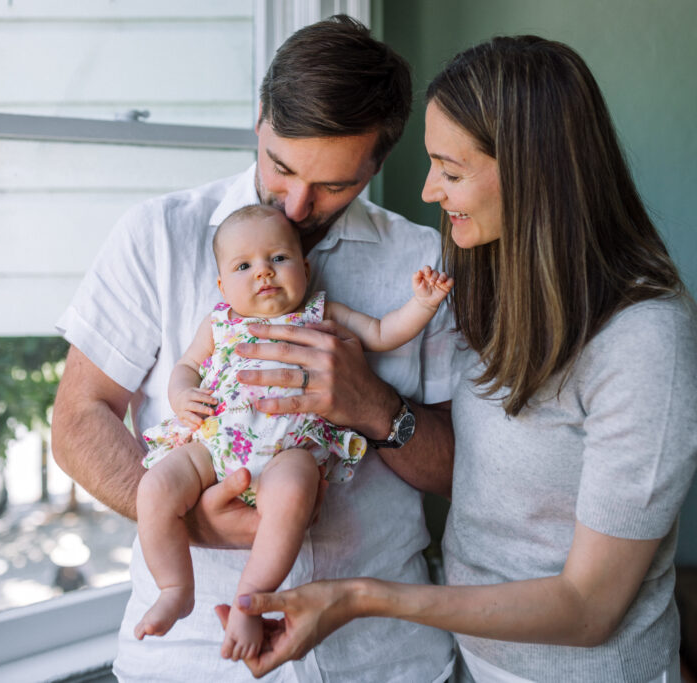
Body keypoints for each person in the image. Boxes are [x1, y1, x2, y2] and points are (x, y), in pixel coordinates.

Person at [224, 35, 697, 683]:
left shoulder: (649, 342)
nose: (429, 190)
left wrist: (357, 595)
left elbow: (590, 607)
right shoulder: (492, 281)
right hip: (472, 662)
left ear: (536, 173)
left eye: (450, 172)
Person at [51, 15, 459, 682]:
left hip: (385, 661)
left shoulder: (421, 264)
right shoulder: (157, 236)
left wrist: (375, 405)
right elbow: (77, 421)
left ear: (378, 161)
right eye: (282, 166)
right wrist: (189, 518)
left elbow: (467, 472)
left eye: (333, 185)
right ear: (261, 117)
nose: (297, 206)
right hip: (186, 660)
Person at [133, 203, 452, 661]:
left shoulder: (322, 312)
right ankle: (174, 587)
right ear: (223, 285)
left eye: (278, 259)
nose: (263, 273)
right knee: (156, 486)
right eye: (244, 266)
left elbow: (382, 333)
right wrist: (183, 394)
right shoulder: (220, 321)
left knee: (293, 494)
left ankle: (250, 600)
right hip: (217, 441)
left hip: (291, 448)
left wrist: (421, 305)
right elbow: (186, 366)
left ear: (304, 268)